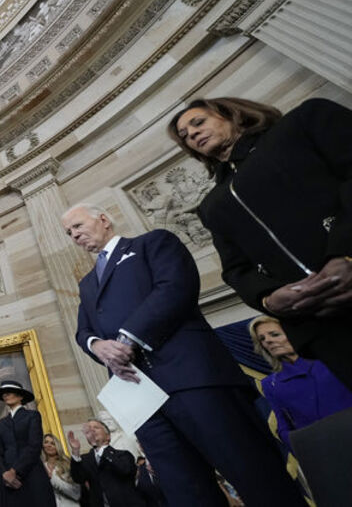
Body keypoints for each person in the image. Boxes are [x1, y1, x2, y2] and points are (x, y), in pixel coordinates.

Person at [61, 204, 307, 507]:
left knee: (251, 471)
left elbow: (175, 288)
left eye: (77, 225)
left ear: (103, 219)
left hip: (191, 377)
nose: (74, 235)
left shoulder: (152, 243)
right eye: (68, 232)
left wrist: (127, 338)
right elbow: (83, 331)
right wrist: (97, 345)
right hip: (139, 396)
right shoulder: (87, 284)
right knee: (184, 490)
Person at [168, 97, 352, 391]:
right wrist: (268, 298)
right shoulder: (212, 206)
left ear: (232, 113)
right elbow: (236, 269)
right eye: (185, 136)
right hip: (321, 324)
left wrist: (346, 254)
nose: (192, 134)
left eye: (198, 122)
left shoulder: (302, 123)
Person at [248, 315, 352, 451]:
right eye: (262, 339)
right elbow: (283, 427)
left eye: (274, 334)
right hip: (322, 451)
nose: (268, 341)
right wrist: (304, 445)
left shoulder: (332, 360)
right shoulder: (271, 384)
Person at [0, 380, 55, 507]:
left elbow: (34, 446)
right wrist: (4, 473)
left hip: (31, 474)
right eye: (4, 393)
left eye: (9, 392)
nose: (5, 395)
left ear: (20, 396)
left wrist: (15, 471)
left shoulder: (32, 416)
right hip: (9, 482)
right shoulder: (2, 423)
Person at [68, 420, 141, 507]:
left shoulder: (123, 454)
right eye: (89, 429)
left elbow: (126, 470)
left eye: (96, 427)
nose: (92, 430)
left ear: (108, 436)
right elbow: (78, 478)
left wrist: (102, 450)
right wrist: (75, 451)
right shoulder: (85, 459)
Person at [42, 433, 80, 507]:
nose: (49, 445)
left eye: (53, 443)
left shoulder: (67, 465)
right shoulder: (39, 467)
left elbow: (76, 494)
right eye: (46, 442)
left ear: (57, 447)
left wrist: (52, 479)